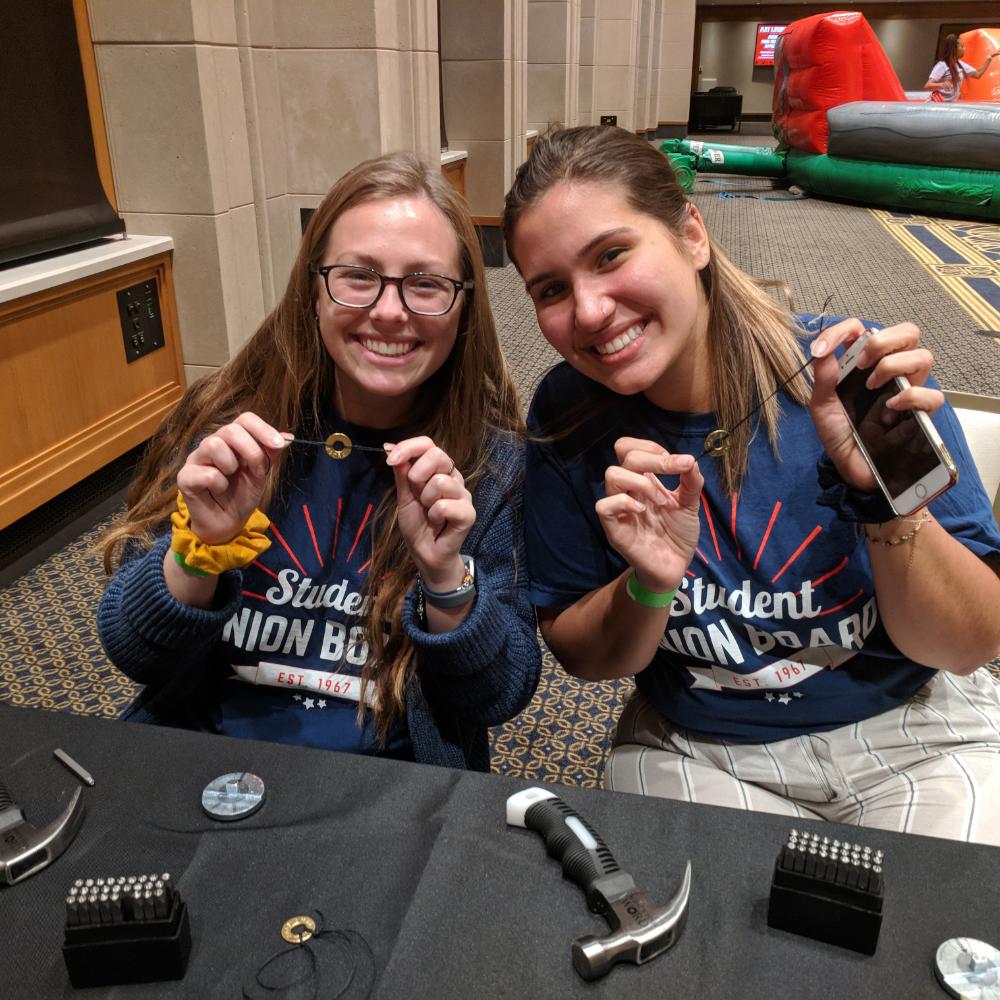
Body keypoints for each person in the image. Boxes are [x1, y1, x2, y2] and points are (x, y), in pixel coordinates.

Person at [501, 126, 1000, 843]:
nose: (589, 312)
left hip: (910, 729)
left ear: (692, 235)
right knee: (713, 910)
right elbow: (584, 656)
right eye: (552, 289)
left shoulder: (852, 373)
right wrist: (647, 585)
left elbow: (969, 643)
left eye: (611, 255)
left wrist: (885, 501)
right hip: (703, 748)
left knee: (947, 903)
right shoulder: (569, 412)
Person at [99, 151, 541, 771]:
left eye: (426, 283)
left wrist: (446, 579)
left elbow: (499, 694)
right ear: (313, 288)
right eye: (358, 275)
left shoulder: (493, 468)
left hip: (388, 785)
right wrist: (199, 551)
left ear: (464, 306)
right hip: (201, 762)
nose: (390, 311)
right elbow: (135, 653)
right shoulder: (225, 425)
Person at [924, 34, 998, 102]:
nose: (964, 49)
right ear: (954, 49)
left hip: (948, 105)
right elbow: (927, 86)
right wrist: (942, 84)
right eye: (961, 47)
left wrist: (990, 57)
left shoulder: (960, 64)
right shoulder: (942, 65)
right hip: (936, 104)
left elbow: (978, 74)